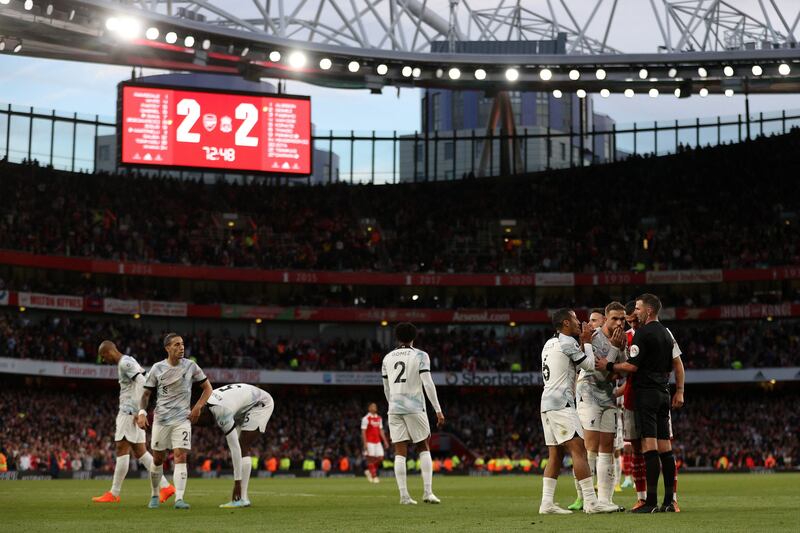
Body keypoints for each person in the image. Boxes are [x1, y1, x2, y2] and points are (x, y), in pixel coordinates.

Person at [596, 294, 682, 513]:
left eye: (639, 309)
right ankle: (669, 501)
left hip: (647, 394)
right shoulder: (665, 332)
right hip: (664, 391)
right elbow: (674, 363)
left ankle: (650, 502)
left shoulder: (643, 333)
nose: (637, 312)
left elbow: (632, 367)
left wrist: (608, 365)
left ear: (649, 311)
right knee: (666, 449)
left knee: (649, 447)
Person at [538, 309, 619, 515]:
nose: (579, 322)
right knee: (579, 450)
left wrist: (582, 344)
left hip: (547, 404)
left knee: (555, 454)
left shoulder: (550, 343)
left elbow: (573, 361)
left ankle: (546, 503)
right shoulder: (568, 343)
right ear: (566, 323)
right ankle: (591, 502)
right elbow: (590, 366)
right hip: (562, 404)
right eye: (575, 318)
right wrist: (588, 342)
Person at [91, 340, 174, 504]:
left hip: (129, 413)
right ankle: (165, 486)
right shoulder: (129, 361)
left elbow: (143, 383)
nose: (104, 360)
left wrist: (139, 411)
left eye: (103, 357)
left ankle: (114, 493)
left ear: (109, 352)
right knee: (141, 453)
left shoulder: (124, 363)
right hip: (133, 412)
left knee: (121, 448)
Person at [137, 333, 212, 510]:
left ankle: (179, 498)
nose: (181, 348)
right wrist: (141, 412)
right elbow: (146, 394)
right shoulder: (157, 368)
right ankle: (155, 494)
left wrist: (198, 407)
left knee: (180, 455)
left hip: (182, 419)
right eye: (177, 345)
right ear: (167, 348)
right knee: (158, 459)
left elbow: (208, 388)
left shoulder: (191, 366)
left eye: (182, 344)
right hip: (161, 419)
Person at [381, 322, 444, 505]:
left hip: (394, 407)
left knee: (400, 451)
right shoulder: (420, 355)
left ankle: (404, 496)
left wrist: (392, 404)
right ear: (414, 337)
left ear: (396, 337)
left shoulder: (387, 358)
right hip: (414, 406)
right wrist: (438, 410)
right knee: (423, 446)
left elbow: (386, 387)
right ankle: (427, 492)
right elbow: (428, 383)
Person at [573, 302, 626, 511]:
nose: (620, 322)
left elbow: (619, 371)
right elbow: (599, 370)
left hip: (609, 396)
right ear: (606, 318)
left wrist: (615, 358)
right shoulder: (593, 337)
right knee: (590, 447)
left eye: (622, 318)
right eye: (615, 318)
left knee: (609, 447)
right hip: (589, 394)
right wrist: (613, 352)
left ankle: (605, 501)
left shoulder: (621, 339)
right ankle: (588, 500)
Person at [195, 383, 275, 508]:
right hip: (242, 406)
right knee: (241, 445)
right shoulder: (205, 400)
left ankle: (241, 498)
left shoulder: (220, 411)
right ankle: (243, 498)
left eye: (203, 423)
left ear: (203, 414)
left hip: (260, 403)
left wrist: (237, 483)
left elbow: (234, 447)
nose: (207, 426)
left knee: (242, 445)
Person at [361, 402, 390, 484]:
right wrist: (365, 443)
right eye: (373, 406)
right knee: (370, 459)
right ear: (369, 408)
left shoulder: (379, 418)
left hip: (377, 442)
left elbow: (381, 431)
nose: (375, 408)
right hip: (369, 442)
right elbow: (363, 432)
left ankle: (369, 471)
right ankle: (374, 476)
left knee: (381, 458)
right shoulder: (366, 418)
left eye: (375, 406)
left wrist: (385, 441)